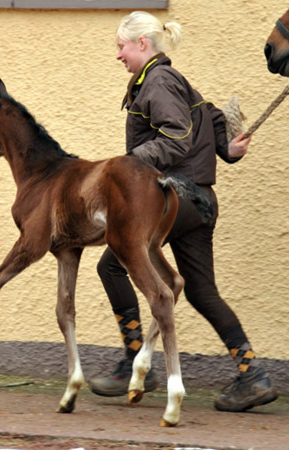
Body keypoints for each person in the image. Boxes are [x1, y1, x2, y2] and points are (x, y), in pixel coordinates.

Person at [89, 11, 278, 412]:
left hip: (177, 198)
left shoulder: (157, 81)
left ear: (142, 43)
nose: (118, 55)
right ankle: (253, 376)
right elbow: (208, 115)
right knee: (201, 290)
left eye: (121, 46)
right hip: (200, 202)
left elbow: (175, 135)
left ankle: (136, 361)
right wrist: (227, 150)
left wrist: (127, 166)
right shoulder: (169, 80)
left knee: (111, 264)